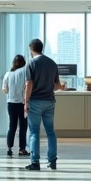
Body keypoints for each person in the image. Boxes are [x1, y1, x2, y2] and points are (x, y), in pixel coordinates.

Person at [23, 39, 62, 171]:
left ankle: (35, 162)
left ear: (31, 49)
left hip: (35, 101)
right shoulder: (52, 64)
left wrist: (26, 101)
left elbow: (29, 84)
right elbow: (57, 86)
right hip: (50, 101)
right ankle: (52, 161)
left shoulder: (31, 63)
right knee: (50, 131)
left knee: (34, 132)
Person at [2, 55, 29, 157]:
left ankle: (9, 148)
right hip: (22, 103)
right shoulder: (25, 72)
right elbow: (28, 86)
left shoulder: (8, 74)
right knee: (23, 127)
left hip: (11, 103)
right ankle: (22, 149)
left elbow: (5, 90)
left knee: (12, 126)